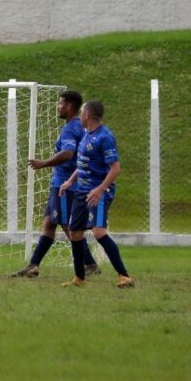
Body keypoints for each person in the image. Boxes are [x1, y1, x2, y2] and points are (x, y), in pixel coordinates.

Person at [15, 90, 101, 278]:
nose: (58, 106)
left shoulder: (71, 128)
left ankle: (90, 263)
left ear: (70, 106)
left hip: (65, 184)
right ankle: (33, 265)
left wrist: (43, 163)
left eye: (60, 103)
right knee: (49, 223)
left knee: (67, 225)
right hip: (67, 183)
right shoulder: (81, 126)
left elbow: (68, 153)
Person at [58, 100, 134, 289]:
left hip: (99, 192)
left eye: (82, 111)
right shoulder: (86, 134)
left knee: (99, 233)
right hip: (81, 191)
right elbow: (83, 162)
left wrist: (99, 189)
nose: (80, 115)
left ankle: (124, 276)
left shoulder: (105, 137)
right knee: (75, 233)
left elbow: (116, 169)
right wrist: (70, 181)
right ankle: (79, 278)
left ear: (87, 115)